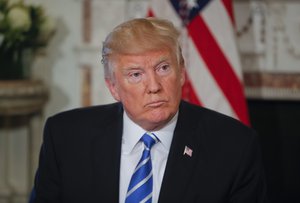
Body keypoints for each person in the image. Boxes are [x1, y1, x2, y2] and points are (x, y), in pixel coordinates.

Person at [31, 17, 268, 203]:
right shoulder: (65, 137)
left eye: (163, 68)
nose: (154, 87)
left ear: (182, 72)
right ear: (113, 87)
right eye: (136, 74)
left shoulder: (235, 146)